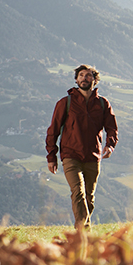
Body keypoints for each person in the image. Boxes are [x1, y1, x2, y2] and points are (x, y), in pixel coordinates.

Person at [45, 64, 118, 230]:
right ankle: (82, 233)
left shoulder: (102, 103)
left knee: (89, 198)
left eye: (88, 75)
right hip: (71, 155)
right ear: (76, 80)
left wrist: (110, 145)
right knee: (78, 192)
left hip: (93, 156)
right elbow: (53, 131)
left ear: (94, 79)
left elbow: (112, 127)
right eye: (81, 75)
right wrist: (51, 157)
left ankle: (83, 229)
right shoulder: (65, 103)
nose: (84, 78)